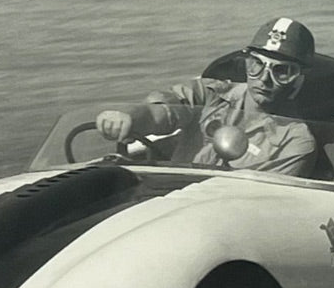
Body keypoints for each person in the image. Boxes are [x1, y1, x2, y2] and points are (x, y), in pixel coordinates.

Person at [96, 17, 319, 176]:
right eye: (256, 65)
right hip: (162, 195)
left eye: (282, 71)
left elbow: (259, 202)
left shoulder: (295, 142)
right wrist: (129, 117)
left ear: (299, 79)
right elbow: (162, 111)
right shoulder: (211, 94)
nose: (264, 79)